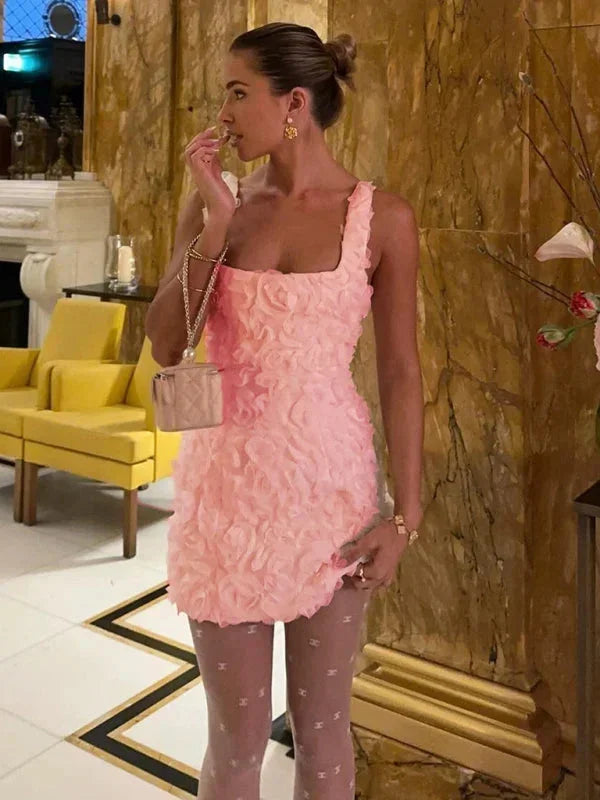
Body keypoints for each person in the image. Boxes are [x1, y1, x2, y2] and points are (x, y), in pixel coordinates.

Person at [145, 21, 424, 800]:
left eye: (239, 93)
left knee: (323, 732)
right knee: (234, 742)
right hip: (225, 499)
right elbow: (166, 344)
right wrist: (213, 223)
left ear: (294, 103)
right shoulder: (219, 205)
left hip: (331, 499)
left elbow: (402, 372)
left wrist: (406, 518)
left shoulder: (382, 218)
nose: (223, 113)